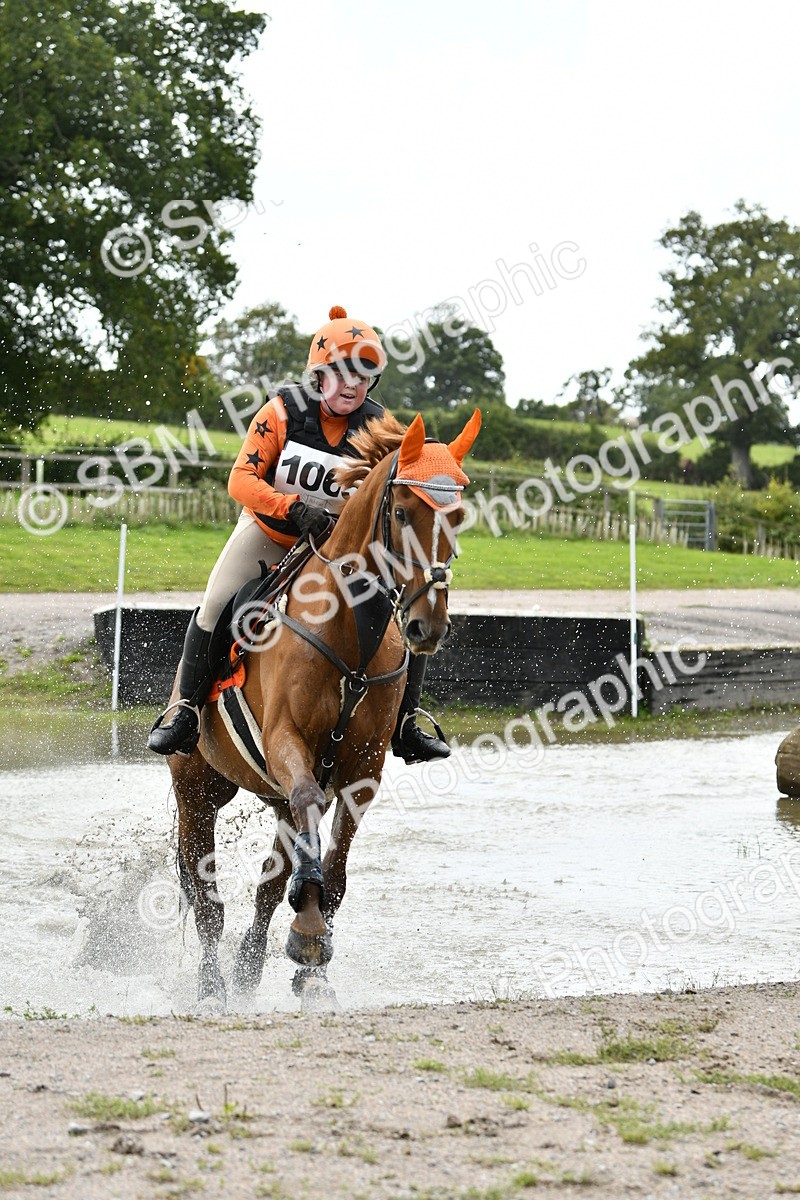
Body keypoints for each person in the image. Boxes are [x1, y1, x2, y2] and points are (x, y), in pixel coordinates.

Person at [147, 305, 451, 765]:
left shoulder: (378, 425)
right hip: (271, 531)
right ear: (319, 374)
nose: (353, 385)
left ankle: (407, 722)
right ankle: (185, 710)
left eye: (365, 377)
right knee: (214, 603)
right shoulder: (282, 412)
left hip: (338, 546)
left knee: (407, 601)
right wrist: (291, 506)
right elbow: (241, 481)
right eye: (344, 373)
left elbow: (405, 480)